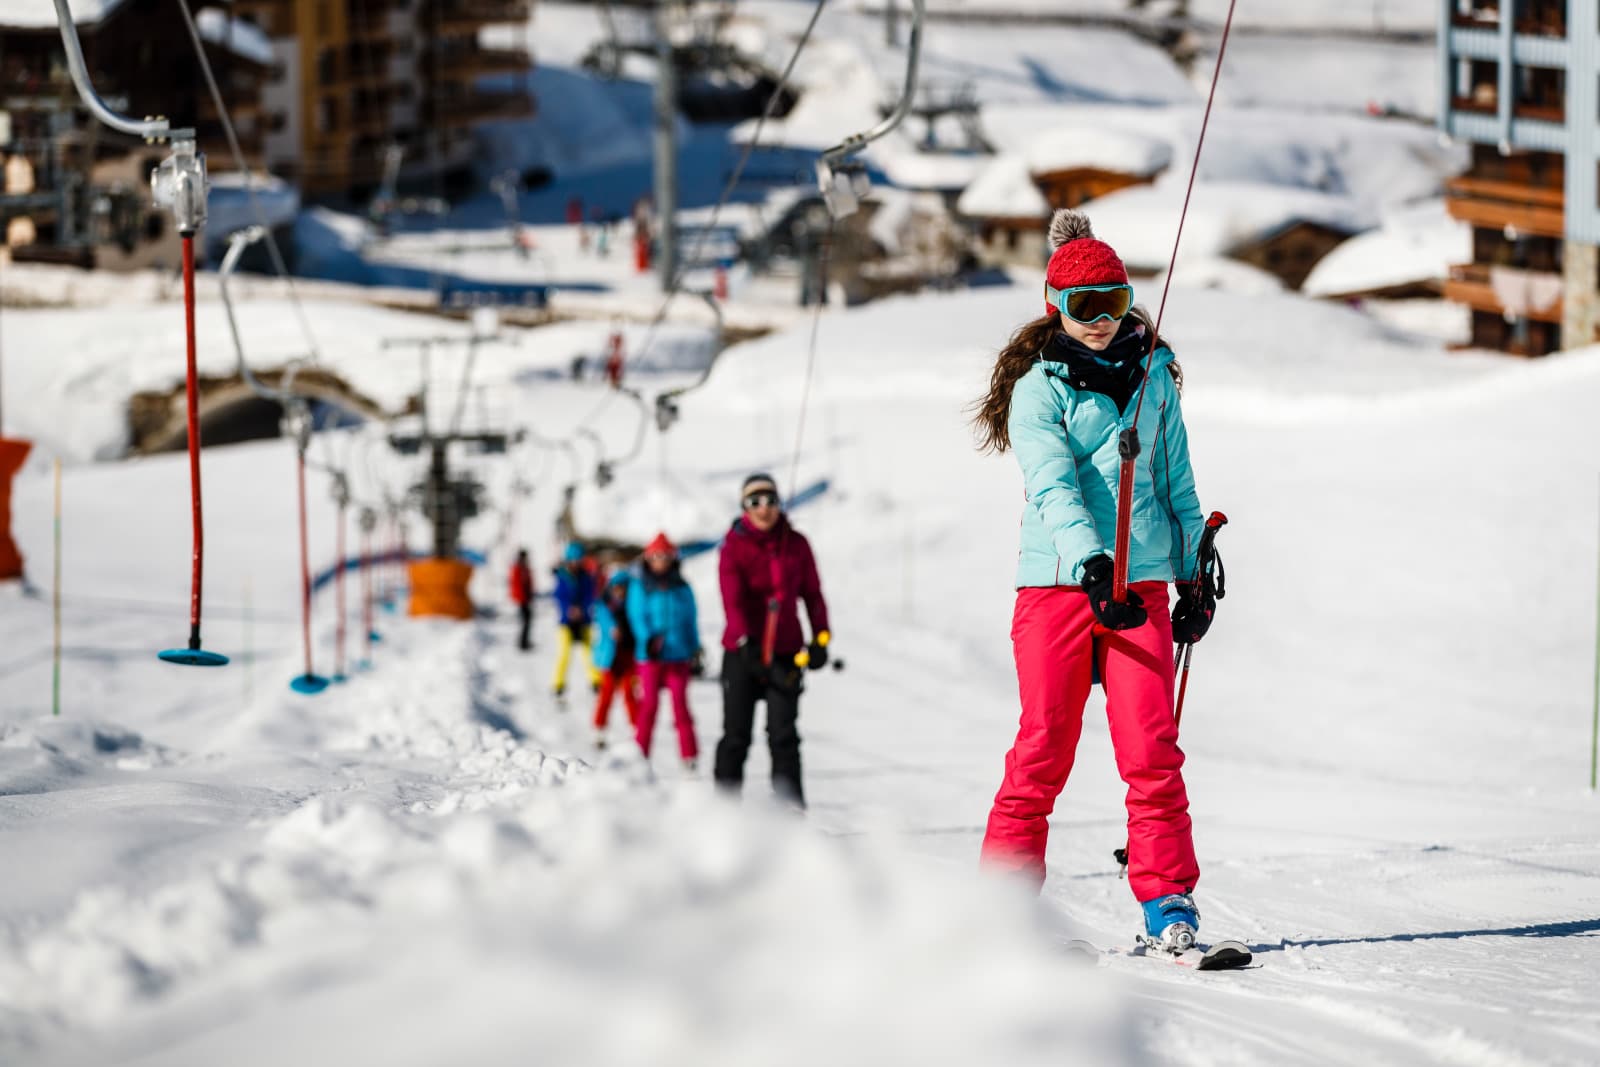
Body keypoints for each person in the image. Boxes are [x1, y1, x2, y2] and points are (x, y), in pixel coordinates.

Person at [971, 208, 1216, 952]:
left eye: (1113, 303)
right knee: (1044, 743)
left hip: (1135, 589)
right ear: (1056, 307)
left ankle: (1168, 898)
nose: (1102, 321)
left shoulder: (1155, 376)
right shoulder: (1040, 389)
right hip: (1058, 585)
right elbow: (1054, 487)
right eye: (1084, 307)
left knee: (1152, 746)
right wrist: (1090, 563)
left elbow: (1175, 484)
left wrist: (1189, 573)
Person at [713, 474, 830, 808]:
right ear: (744, 508)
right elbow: (732, 600)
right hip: (742, 652)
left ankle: (790, 815)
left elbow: (813, 595)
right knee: (736, 737)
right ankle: (723, 813)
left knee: (783, 737)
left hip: (786, 653)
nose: (763, 509)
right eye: (755, 502)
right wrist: (744, 640)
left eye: (770, 500)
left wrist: (821, 637)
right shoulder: (732, 547)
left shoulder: (796, 544)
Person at [628, 533, 702, 770]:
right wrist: (647, 639)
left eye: (665, 556)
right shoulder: (641, 586)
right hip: (650, 657)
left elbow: (691, 619)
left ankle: (689, 756)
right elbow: (637, 616)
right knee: (648, 706)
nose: (660, 561)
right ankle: (640, 755)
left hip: (678, 655)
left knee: (681, 706)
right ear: (648, 559)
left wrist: (694, 648)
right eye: (656, 556)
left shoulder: (682, 587)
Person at [592, 569, 639, 748]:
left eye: (624, 588)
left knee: (629, 694)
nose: (620, 592)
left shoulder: (634, 606)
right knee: (607, 694)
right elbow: (603, 621)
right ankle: (600, 729)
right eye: (617, 588)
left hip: (628, 657)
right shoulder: (604, 605)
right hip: (609, 658)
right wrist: (612, 628)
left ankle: (637, 729)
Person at [551, 540, 599, 702]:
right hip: (566, 622)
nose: (576, 563)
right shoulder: (562, 577)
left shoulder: (586, 577)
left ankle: (596, 681)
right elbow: (559, 597)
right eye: (574, 559)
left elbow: (590, 596)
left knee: (589, 653)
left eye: (579, 560)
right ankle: (558, 683)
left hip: (584, 621)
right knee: (564, 654)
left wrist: (582, 609)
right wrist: (569, 610)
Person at [509, 548, 535, 651]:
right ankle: (522, 642)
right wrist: (522, 597)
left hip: (526, 598)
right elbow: (517, 584)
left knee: (527, 620)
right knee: (525, 620)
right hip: (522, 599)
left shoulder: (524, 567)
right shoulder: (519, 568)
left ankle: (524, 641)